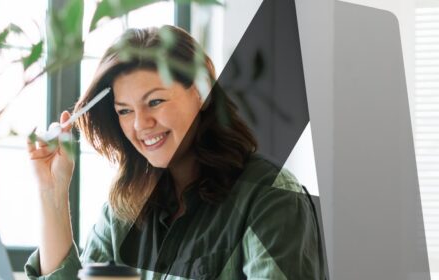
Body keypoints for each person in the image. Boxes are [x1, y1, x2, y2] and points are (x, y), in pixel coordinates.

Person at [25, 25, 322, 279]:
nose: (141, 124)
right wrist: (52, 192)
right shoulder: (122, 211)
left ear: (202, 91)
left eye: (155, 102)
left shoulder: (268, 195)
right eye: (125, 111)